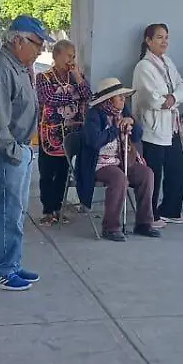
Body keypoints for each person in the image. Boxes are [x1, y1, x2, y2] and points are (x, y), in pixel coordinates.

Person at [0, 15, 54, 291]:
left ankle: (12, 263)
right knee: (8, 212)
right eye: (37, 44)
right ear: (17, 40)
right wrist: (15, 153)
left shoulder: (18, 65)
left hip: (18, 148)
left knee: (16, 212)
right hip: (6, 152)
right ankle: (2, 271)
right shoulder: (1, 68)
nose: (40, 50)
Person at [77, 79, 162, 242]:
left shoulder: (123, 111)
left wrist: (132, 122)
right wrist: (116, 129)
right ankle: (111, 227)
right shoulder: (94, 115)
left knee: (147, 174)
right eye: (120, 97)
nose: (124, 100)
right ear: (109, 99)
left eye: (124, 97)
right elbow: (94, 141)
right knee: (118, 178)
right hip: (100, 162)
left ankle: (144, 223)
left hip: (122, 159)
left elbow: (137, 136)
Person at [132, 23, 183, 224]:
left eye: (166, 37)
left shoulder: (167, 62)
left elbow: (182, 86)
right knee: (153, 173)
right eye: (159, 37)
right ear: (148, 41)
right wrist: (168, 100)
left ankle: (171, 210)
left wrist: (172, 98)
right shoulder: (143, 67)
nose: (164, 41)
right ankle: (150, 214)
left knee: (177, 169)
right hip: (153, 127)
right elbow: (151, 98)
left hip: (171, 126)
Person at [35, 39, 91, 225]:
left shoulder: (75, 76)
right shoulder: (44, 77)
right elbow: (49, 98)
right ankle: (48, 210)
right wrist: (73, 94)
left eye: (73, 57)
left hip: (70, 132)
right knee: (47, 172)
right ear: (57, 55)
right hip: (50, 134)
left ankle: (59, 208)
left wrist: (77, 79)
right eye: (68, 56)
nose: (71, 60)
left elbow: (88, 95)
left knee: (63, 172)